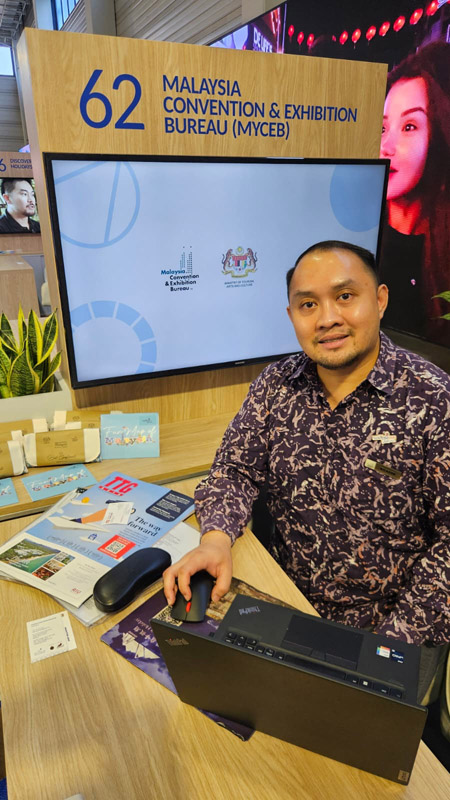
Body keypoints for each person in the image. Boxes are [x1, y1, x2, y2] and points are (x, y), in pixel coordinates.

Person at [164, 240, 450, 662]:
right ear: (291, 316)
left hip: (389, 628)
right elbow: (234, 470)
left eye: (345, 296)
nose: (327, 318)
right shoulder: (275, 385)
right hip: (284, 603)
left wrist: (389, 645)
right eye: (308, 305)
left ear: (380, 299)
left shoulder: (433, 398)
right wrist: (216, 540)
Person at [379, 41, 450, 345]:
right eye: (383, 128)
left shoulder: (441, 248)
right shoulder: (356, 229)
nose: (386, 146)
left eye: (409, 127)